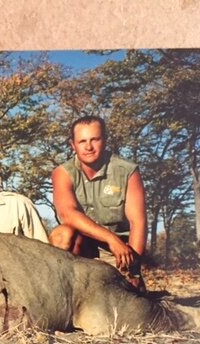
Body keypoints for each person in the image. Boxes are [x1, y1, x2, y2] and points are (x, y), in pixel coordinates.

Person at [49, 115, 147, 291]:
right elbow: (67, 214)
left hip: (119, 253)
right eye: (82, 141)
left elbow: (137, 222)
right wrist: (111, 238)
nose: (88, 147)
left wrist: (134, 271)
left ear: (105, 140)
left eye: (95, 139)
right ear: (73, 145)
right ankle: (63, 290)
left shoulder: (127, 171)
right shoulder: (62, 173)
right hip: (83, 250)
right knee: (62, 234)